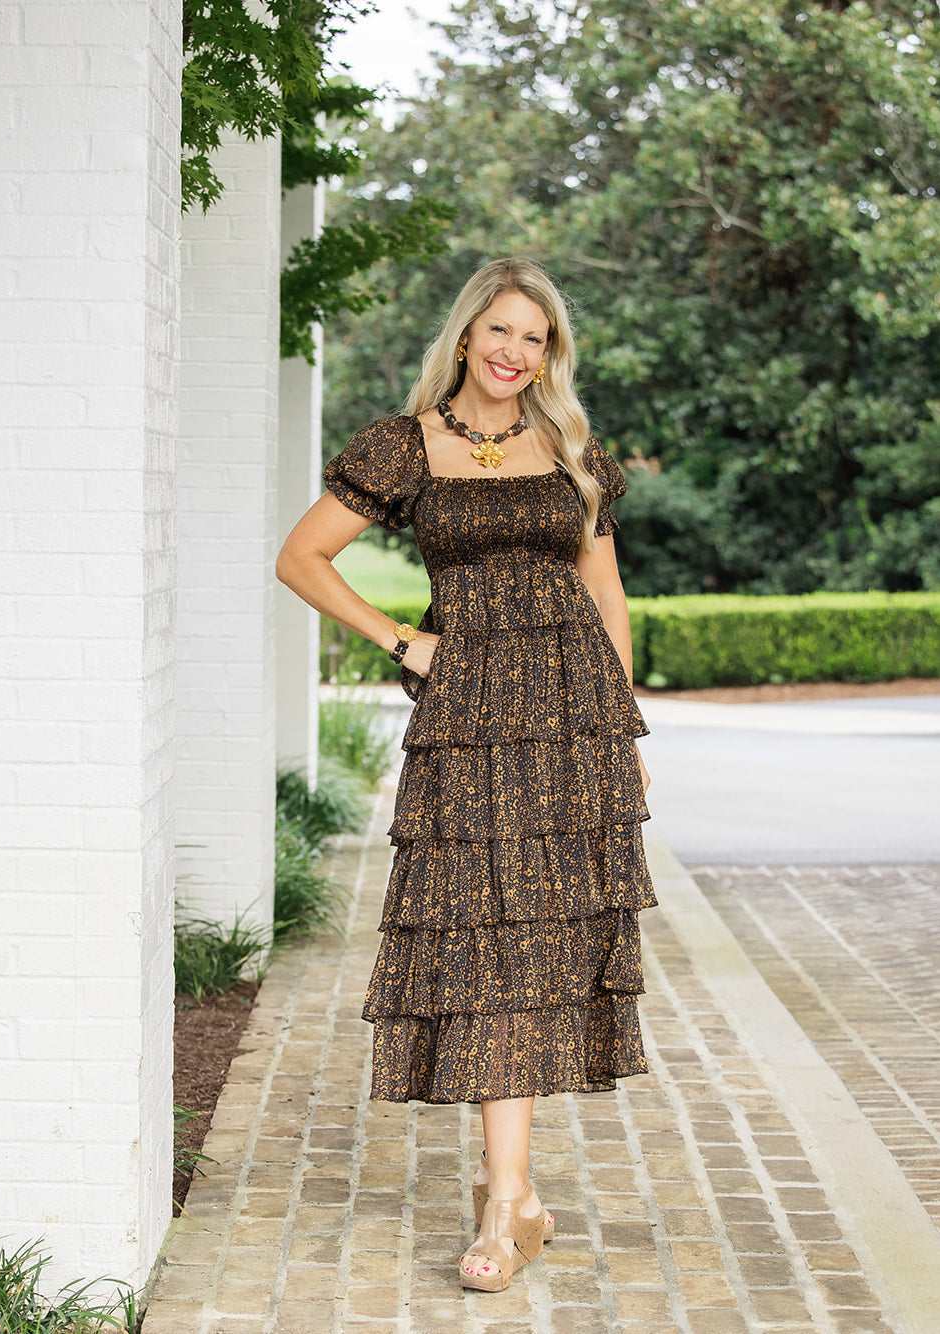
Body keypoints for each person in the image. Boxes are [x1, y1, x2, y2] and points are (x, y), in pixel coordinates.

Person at [276, 257, 655, 1292]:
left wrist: (619, 740)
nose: (513, 351)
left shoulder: (568, 445)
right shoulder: (404, 445)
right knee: (481, 945)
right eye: (499, 329)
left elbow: (604, 592)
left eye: (534, 337)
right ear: (463, 335)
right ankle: (516, 1198)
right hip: (467, 726)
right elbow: (302, 556)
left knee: (534, 949)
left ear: (549, 353)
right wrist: (402, 638)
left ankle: (505, 1198)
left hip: (570, 719)